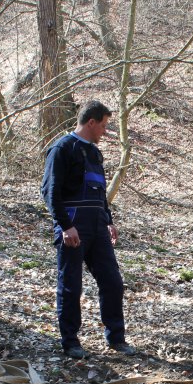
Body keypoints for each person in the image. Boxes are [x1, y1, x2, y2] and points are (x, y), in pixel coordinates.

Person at [41, 100, 134, 358]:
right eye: (103, 126)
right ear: (90, 122)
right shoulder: (62, 148)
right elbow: (49, 191)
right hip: (73, 227)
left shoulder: (95, 153)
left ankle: (116, 338)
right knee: (71, 285)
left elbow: (99, 192)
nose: (105, 131)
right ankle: (70, 341)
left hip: (97, 227)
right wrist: (65, 225)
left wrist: (108, 219)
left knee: (113, 282)